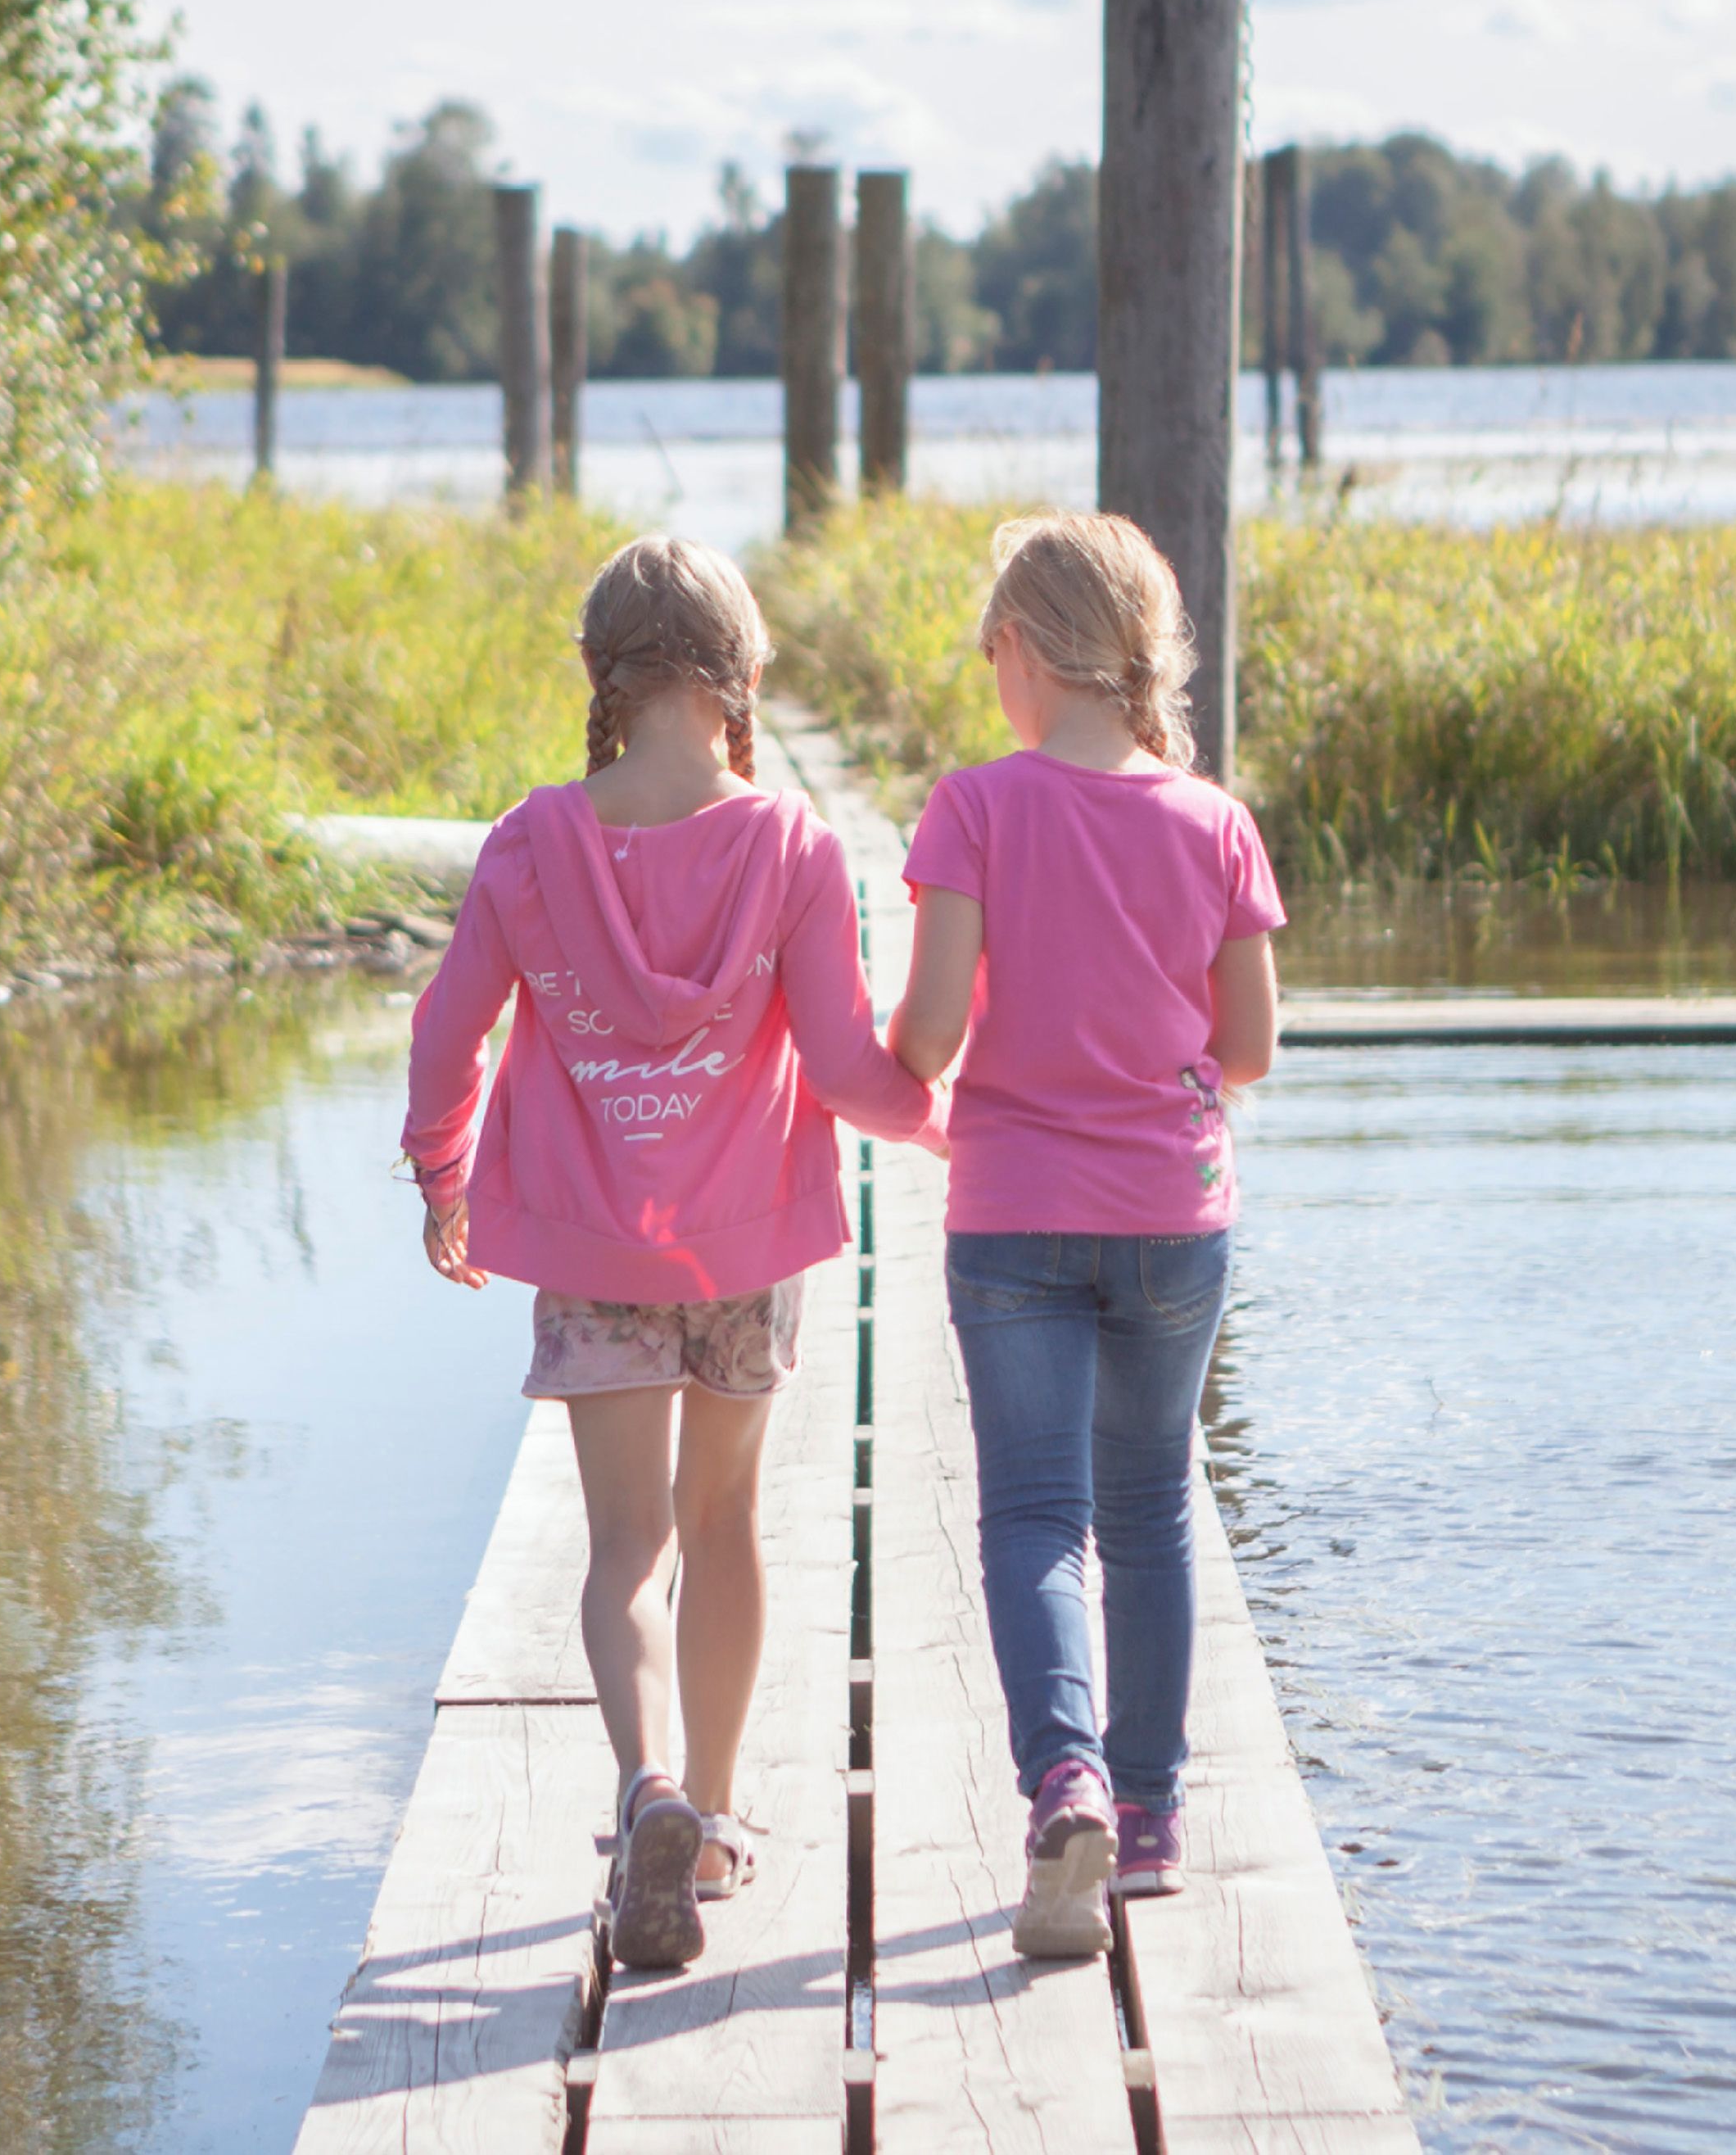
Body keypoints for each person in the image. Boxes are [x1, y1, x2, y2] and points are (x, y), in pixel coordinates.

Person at [404, 534, 939, 1974]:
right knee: (723, 1529)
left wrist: (442, 1168)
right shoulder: (793, 848)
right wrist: (952, 1125)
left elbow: (448, 1030)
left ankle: (641, 1790)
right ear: (743, 678)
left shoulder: (529, 844)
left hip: (592, 1250)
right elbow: (842, 1065)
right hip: (749, 1249)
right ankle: (706, 1811)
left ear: (598, 678)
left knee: (626, 1548)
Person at [884, 512, 1282, 1962]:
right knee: (1154, 1509)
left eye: (990, 650)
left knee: (1036, 1517)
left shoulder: (974, 810)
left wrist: (892, 1063)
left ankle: (1067, 1782)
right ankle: (1157, 1821)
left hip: (1012, 1218)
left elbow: (927, 1036)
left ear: (1025, 651)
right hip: (1174, 1219)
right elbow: (1247, 1050)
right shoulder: (1215, 821)